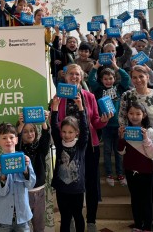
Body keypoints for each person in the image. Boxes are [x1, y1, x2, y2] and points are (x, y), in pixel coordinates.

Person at [56, 64, 112, 232]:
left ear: (81, 77)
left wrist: (104, 120)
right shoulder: (59, 98)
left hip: (89, 146)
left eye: (77, 74)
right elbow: (57, 122)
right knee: (68, 182)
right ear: (65, 77)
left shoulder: (89, 96)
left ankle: (91, 220)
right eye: (71, 74)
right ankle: (70, 218)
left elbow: (95, 120)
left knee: (91, 184)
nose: (74, 77)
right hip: (67, 147)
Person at [119, 65, 153, 232]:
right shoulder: (127, 95)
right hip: (133, 146)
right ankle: (140, 221)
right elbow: (122, 118)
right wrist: (125, 136)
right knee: (139, 190)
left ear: (148, 77)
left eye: (141, 76)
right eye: (134, 77)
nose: (138, 80)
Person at [89, 57, 131, 187]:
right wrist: (96, 67)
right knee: (107, 151)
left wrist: (116, 67)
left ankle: (120, 174)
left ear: (114, 79)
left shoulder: (119, 88)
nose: (108, 81)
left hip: (119, 126)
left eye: (110, 78)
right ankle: (109, 174)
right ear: (101, 80)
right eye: (105, 79)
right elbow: (91, 79)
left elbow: (126, 79)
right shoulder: (98, 89)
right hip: (106, 126)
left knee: (119, 152)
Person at [50, 95, 90, 232]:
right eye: (64, 132)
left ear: (76, 133)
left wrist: (81, 108)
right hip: (62, 190)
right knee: (65, 218)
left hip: (77, 190)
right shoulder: (59, 144)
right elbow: (54, 128)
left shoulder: (81, 145)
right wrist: (54, 107)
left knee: (78, 216)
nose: (67, 135)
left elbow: (85, 129)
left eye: (70, 132)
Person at [117, 102, 153, 231]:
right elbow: (121, 151)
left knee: (146, 199)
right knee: (135, 198)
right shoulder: (125, 130)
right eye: (131, 113)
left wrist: (145, 138)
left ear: (144, 115)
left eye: (138, 113)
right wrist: (121, 138)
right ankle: (138, 225)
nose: (134, 116)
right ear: (127, 114)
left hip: (146, 171)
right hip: (130, 169)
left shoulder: (150, 131)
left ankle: (147, 227)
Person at [0, 122, 36, 232]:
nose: (8, 140)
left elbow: (30, 185)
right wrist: (3, 174)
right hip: (3, 218)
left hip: (23, 216)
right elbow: (1, 191)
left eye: (11, 137)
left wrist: (25, 169)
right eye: (4, 138)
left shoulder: (24, 159)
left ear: (16, 139)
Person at [16, 111, 51, 232]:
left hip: (39, 192)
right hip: (23, 193)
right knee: (23, 226)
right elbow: (17, 144)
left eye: (32, 131)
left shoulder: (40, 149)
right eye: (25, 131)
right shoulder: (19, 151)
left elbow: (46, 139)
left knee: (39, 225)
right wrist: (20, 125)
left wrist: (44, 123)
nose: (29, 134)